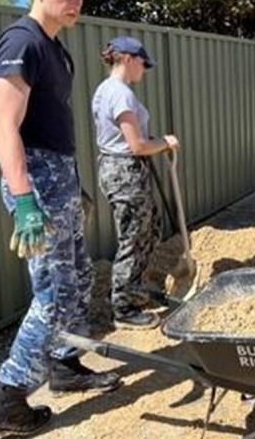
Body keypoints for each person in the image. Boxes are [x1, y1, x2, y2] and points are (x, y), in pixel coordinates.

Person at [0, 0, 121, 436]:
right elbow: (5, 126)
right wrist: (24, 201)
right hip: (37, 188)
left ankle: (63, 366)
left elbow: (51, 125)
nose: (76, 0)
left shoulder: (55, 47)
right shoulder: (22, 42)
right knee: (52, 296)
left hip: (59, 183)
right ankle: (8, 400)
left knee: (79, 279)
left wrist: (73, 188)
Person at [91, 36, 180, 329]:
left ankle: (133, 287)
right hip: (125, 172)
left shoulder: (105, 90)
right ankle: (123, 308)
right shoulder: (120, 94)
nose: (144, 69)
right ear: (128, 59)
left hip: (120, 170)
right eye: (143, 63)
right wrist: (164, 142)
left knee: (149, 228)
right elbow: (137, 145)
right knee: (133, 237)